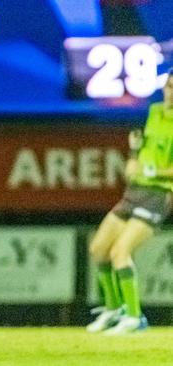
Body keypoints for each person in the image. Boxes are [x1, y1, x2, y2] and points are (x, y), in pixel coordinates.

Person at [87, 70, 173, 335]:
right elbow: (142, 154)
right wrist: (134, 155)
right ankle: (114, 310)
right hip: (134, 191)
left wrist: (153, 173)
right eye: (169, 86)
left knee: (119, 253)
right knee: (98, 249)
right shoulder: (156, 112)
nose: (170, 91)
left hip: (158, 195)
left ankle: (135, 317)